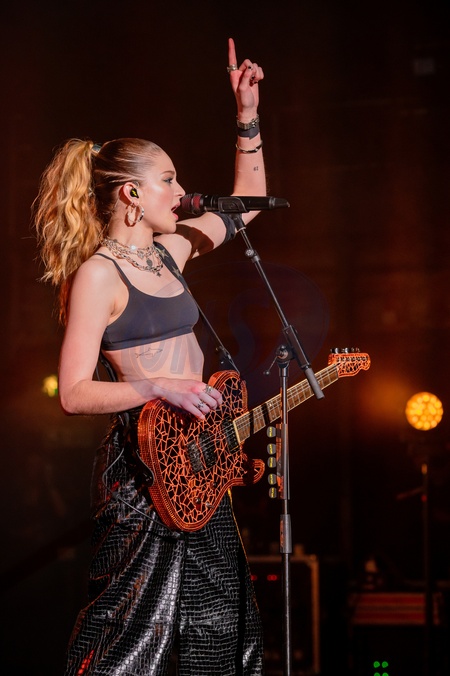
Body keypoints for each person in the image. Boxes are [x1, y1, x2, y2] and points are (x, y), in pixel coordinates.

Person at [34, 38, 266, 676]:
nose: (182, 191)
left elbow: (245, 205)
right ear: (131, 194)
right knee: (132, 635)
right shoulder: (97, 276)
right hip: (140, 471)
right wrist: (160, 386)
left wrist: (247, 116)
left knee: (220, 628)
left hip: (200, 464)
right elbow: (73, 392)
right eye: (168, 180)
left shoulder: (171, 253)